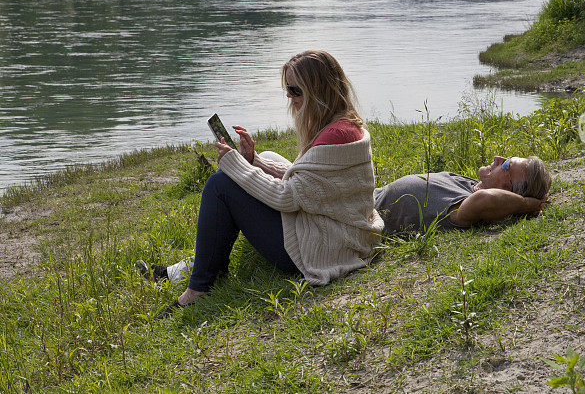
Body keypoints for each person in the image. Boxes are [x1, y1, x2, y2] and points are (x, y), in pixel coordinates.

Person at [140, 50, 384, 318]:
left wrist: (236, 165)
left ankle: (199, 288)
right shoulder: (343, 126)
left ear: (318, 92)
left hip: (324, 249)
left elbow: (288, 197)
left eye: (295, 90)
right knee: (265, 159)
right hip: (338, 232)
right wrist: (255, 161)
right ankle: (202, 265)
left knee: (220, 184)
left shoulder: (334, 135)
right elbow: (309, 183)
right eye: (287, 90)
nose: (289, 98)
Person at [375, 155, 550, 234]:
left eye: (506, 166)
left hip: (363, 214)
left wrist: (527, 204)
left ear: (507, 190)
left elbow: (486, 199)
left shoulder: (467, 207)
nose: (498, 158)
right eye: (507, 158)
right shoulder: (471, 185)